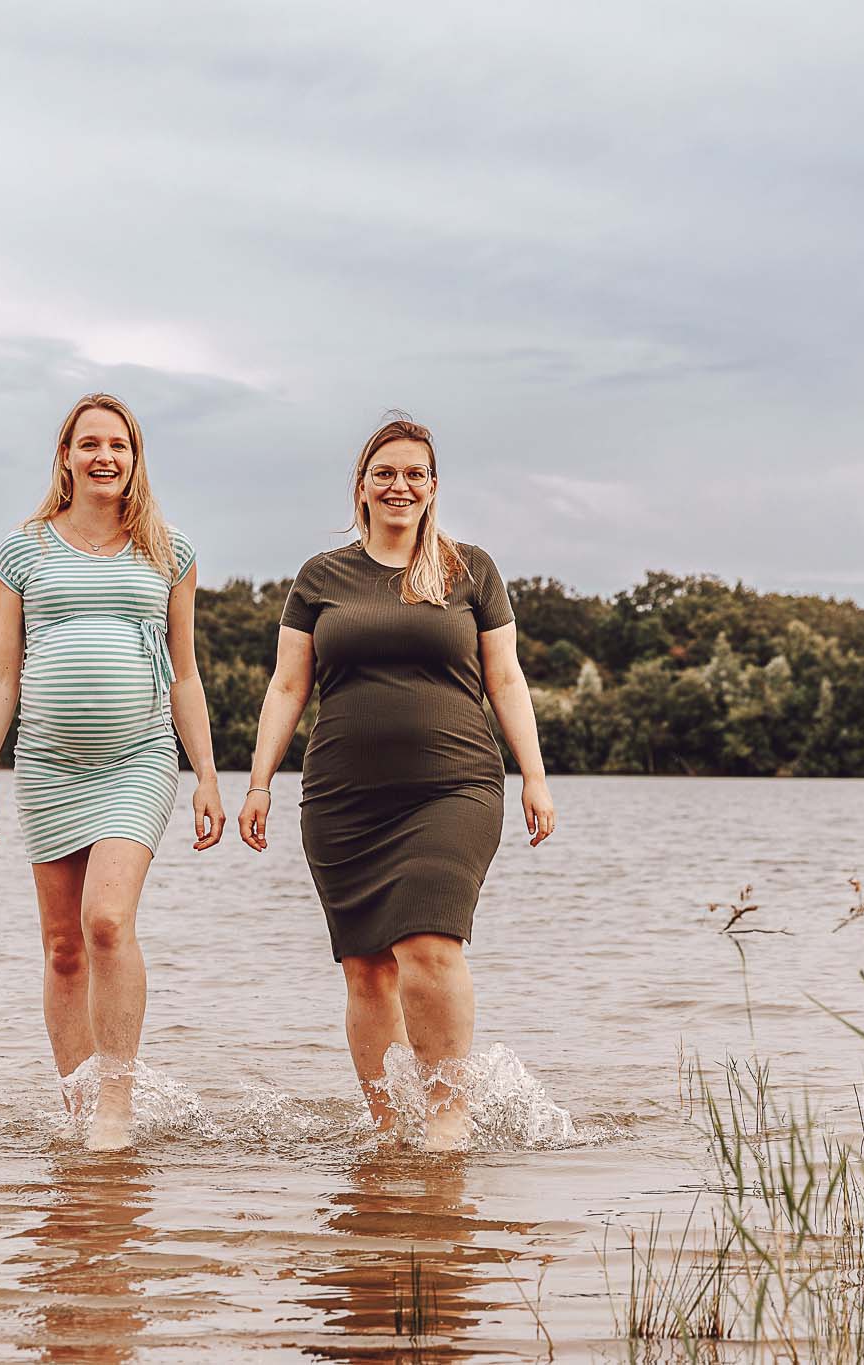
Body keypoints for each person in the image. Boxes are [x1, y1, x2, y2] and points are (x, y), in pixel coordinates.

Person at [238, 413, 555, 1151]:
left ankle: (447, 1121)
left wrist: (535, 775)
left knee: (428, 944)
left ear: (434, 486)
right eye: (385, 471)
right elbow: (288, 687)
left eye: (414, 472)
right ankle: (391, 1131)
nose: (399, 484)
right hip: (344, 798)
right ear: (362, 484)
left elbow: (506, 677)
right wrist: (258, 784)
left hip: (454, 788)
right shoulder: (322, 576)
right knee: (366, 970)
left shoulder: (469, 569)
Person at [0, 392, 224, 1151]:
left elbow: (185, 674)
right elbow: (1, 674)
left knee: (107, 921)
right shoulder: (23, 551)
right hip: (46, 765)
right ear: (66, 457)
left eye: (120, 445)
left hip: (138, 760)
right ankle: (77, 1109)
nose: (104, 456)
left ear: (136, 458)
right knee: (63, 945)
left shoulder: (169, 551)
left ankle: (116, 1101)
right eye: (90, 444)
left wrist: (207, 773)